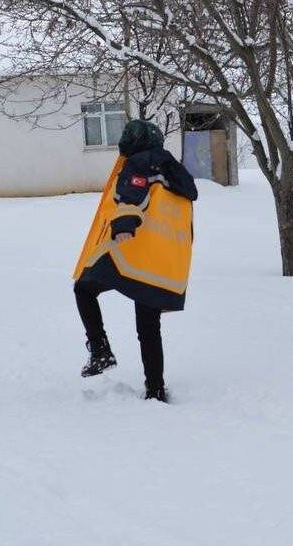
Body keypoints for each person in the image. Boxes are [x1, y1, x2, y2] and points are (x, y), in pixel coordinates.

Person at [72, 120, 198, 403]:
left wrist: (124, 223)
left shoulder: (139, 163)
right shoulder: (177, 173)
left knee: (83, 288)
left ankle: (100, 350)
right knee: (148, 327)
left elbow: (133, 190)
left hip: (129, 250)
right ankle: (155, 390)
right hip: (162, 264)